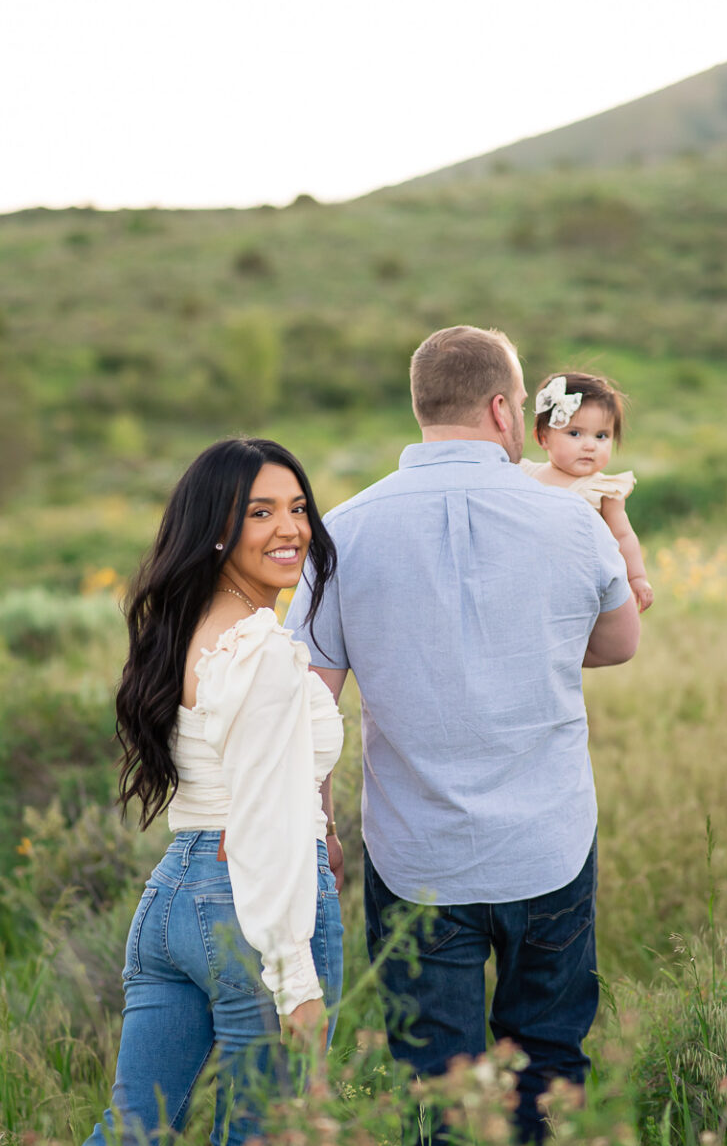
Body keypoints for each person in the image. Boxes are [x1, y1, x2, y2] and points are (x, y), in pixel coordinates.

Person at [286, 326, 640, 1144]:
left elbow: (305, 706)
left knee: (439, 1081)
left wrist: (319, 825)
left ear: (423, 408)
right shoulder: (571, 522)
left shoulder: (343, 532)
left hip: (419, 858)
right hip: (549, 842)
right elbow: (619, 643)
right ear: (501, 409)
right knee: (549, 1061)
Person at [84, 438, 344, 1146]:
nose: (290, 529)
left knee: (135, 1130)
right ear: (218, 528)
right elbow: (259, 821)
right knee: (265, 1131)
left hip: (173, 897)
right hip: (250, 905)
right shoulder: (257, 648)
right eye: (261, 512)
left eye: (298, 508)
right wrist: (297, 982)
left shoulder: (190, 627)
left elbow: (248, 777)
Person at [520, 371, 654, 612]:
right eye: (575, 433)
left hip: (578, 587)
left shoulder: (602, 490)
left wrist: (636, 578)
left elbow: (623, 536)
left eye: (602, 436)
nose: (590, 445)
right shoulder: (526, 474)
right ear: (543, 437)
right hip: (529, 581)